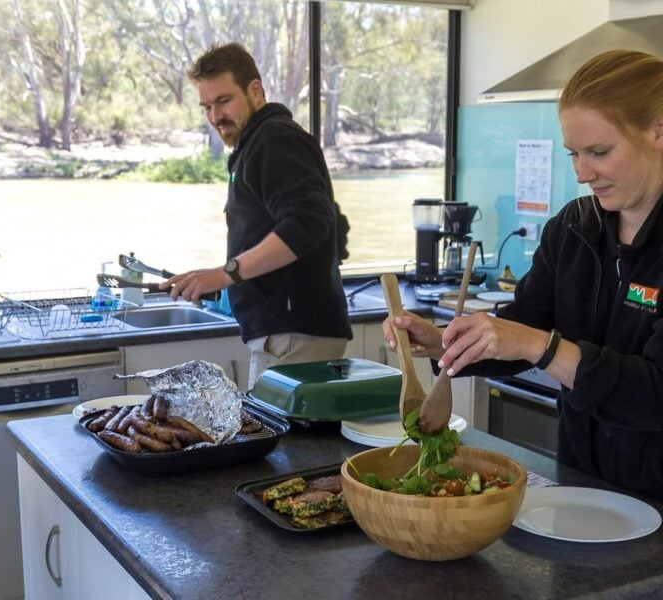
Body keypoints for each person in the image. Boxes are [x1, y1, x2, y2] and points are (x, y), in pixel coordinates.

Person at [383, 48, 663, 501]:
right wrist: (444, 342)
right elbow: (523, 326)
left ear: (658, 131)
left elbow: (654, 393)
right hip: (580, 485)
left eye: (599, 151)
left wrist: (539, 345)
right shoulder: (576, 228)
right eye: (573, 153)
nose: (582, 172)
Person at [161, 42, 352, 387]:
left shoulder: (274, 139)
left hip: (294, 336)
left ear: (255, 90)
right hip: (291, 332)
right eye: (206, 106)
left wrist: (227, 273)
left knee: (284, 442)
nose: (215, 116)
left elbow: (310, 221)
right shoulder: (259, 143)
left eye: (223, 101)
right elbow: (333, 222)